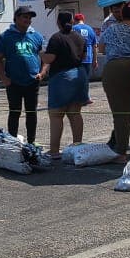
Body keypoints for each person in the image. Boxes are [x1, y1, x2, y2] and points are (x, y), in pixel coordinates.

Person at [98, 0, 130, 162]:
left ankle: (121, 152)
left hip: (115, 69)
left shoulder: (111, 28)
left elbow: (102, 48)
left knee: (121, 114)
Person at [41, 12, 90, 159]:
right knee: (75, 114)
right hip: (79, 74)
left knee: (56, 115)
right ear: (72, 21)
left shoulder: (57, 38)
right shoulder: (80, 37)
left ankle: (55, 151)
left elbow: (50, 58)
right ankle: (77, 147)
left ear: (58, 22)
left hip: (62, 76)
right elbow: (84, 56)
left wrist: (41, 54)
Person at [0, 5, 45, 144]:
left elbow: (45, 58)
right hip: (13, 82)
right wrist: (4, 78)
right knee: (15, 112)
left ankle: (31, 142)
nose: (28, 20)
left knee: (31, 112)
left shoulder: (36, 36)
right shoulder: (5, 37)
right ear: (16, 18)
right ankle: (12, 142)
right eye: (25, 17)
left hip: (32, 81)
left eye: (29, 18)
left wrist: (42, 73)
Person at [72, 13, 98, 77]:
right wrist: (95, 60)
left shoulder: (73, 28)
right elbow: (94, 46)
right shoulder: (90, 29)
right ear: (83, 20)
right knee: (85, 79)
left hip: (76, 59)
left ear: (74, 20)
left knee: (76, 80)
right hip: (88, 58)